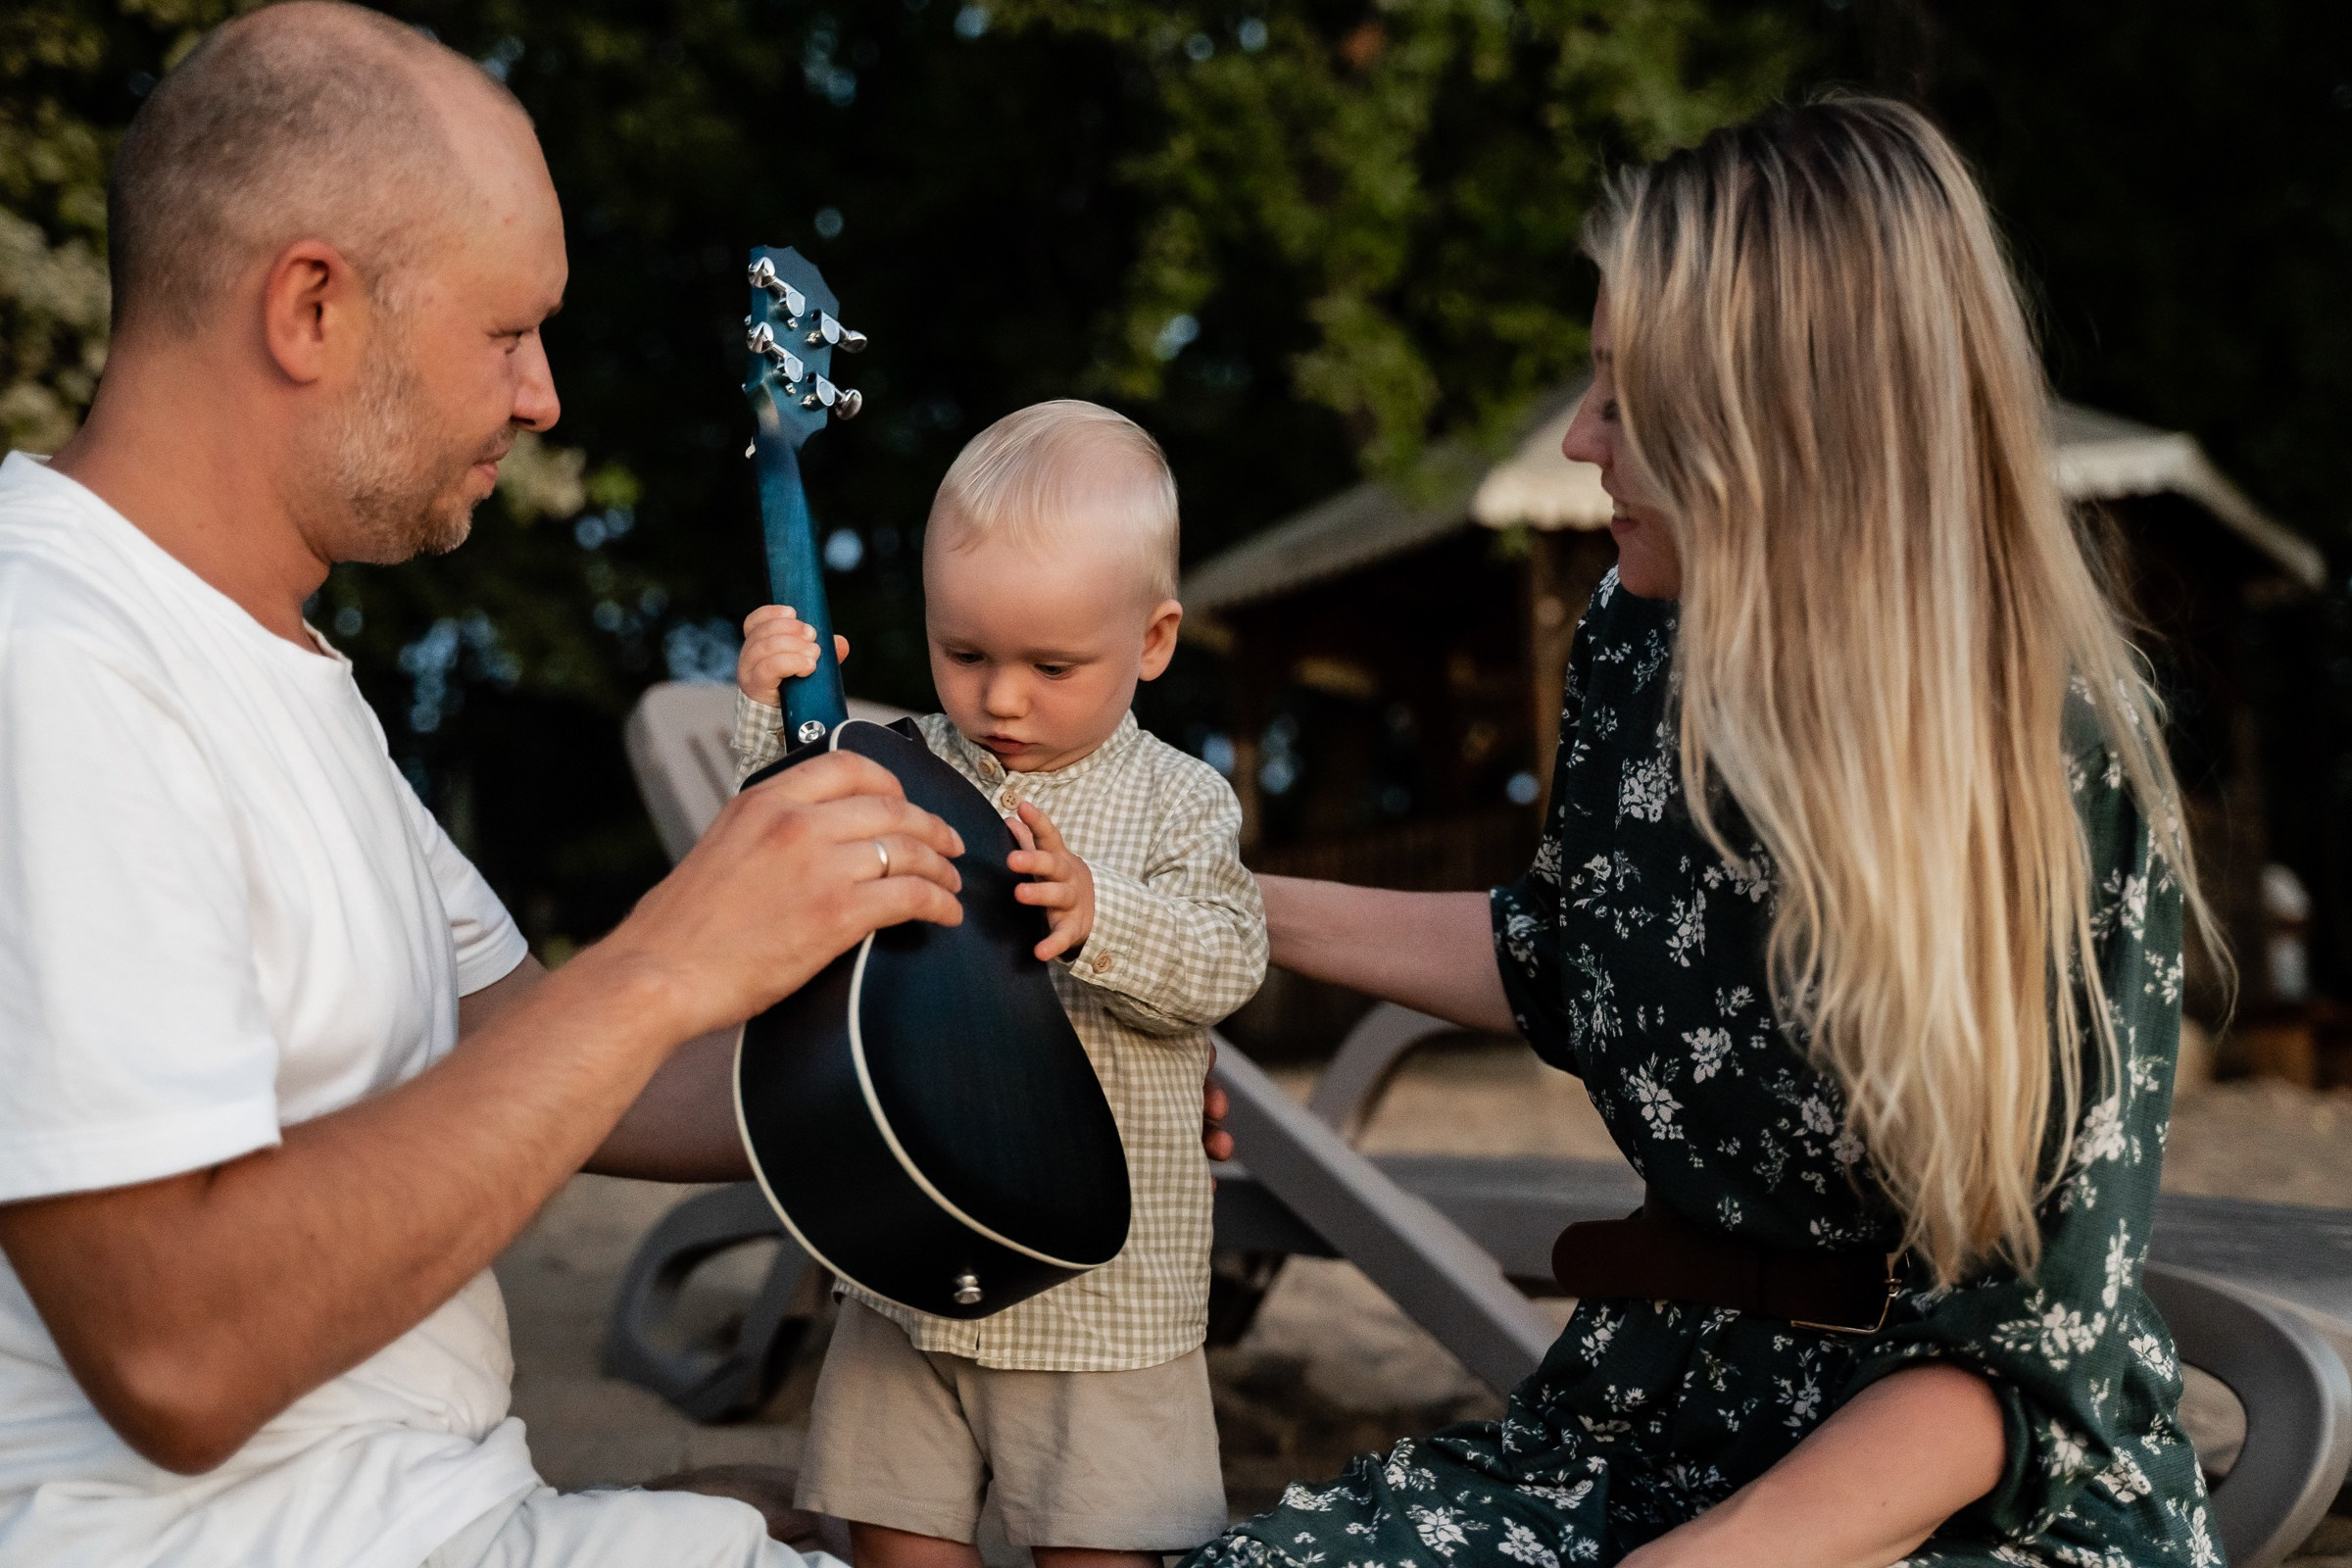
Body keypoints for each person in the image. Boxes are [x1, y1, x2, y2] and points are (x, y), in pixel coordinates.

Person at [0, 9, 1226, 1568]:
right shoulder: (53, 660)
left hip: (442, 1509)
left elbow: (522, 1047)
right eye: (509, 332)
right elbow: (177, 1356)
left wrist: (1006, 1066)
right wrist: (667, 957)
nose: (543, 397)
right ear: (311, 306)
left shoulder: (267, 664)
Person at [1186, 98, 2218, 1568]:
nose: (1580, 438)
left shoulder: (2050, 763)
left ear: (1784, 415)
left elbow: (2024, 1358)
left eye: (1626, 390)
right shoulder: (1637, 640)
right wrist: (1187, 898)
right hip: (1652, 1415)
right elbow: (1560, 953)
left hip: (1955, 1489)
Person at [731, 400, 1268, 1568]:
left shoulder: (1178, 800)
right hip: (909, 1258)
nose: (1002, 698)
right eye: (964, 652)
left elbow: (1232, 954)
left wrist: (1098, 911)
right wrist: (777, 719)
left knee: (1101, 1546)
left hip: (1105, 1301)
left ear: (1156, 641)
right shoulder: (904, 763)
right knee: (895, 1536)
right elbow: (787, 847)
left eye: (1052, 665)